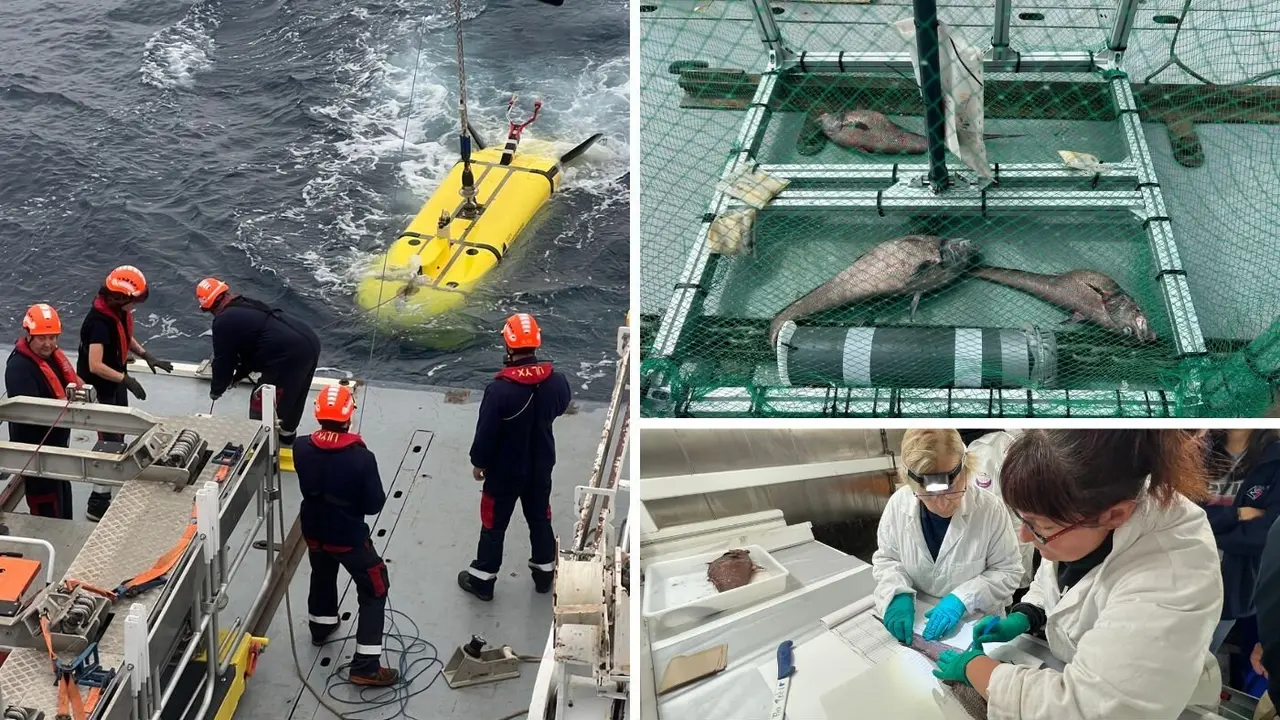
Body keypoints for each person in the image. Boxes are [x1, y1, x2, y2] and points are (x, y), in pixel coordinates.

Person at [932, 429, 1223, 720]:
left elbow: (1090, 709)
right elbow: (1061, 584)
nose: (1023, 536)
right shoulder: (1085, 508)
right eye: (1023, 519)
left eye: (1038, 527)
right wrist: (1028, 614)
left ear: (1115, 516)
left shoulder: (1171, 574)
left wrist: (982, 671)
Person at [457, 313, 572, 602]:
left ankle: (483, 580)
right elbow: (559, 408)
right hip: (541, 466)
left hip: (504, 472)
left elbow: (486, 433)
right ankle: (544, 576)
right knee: (539, 519)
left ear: (508, 344)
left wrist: (479, 463)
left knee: (494, 525)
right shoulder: (557, 382)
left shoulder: (499, 390)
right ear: (537, 341)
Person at [872, 429, 1023, 645]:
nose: (941, 503)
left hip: (975, 627)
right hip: (918, 622)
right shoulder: (898, 504)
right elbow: (888, 559)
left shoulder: (990, 509)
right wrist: (896, 593)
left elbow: (1008, 571)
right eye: (928, 495)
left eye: (951, 490)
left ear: (966, 469)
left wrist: (963, 598)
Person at [291, 384, 398, 687]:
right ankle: (366, 665)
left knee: (322, 572)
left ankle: (321, 626)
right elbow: (374, 504)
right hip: (347, 536)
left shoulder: (300, 446)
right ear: (349, 415)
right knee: (375, 586)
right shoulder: (362, 458)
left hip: (313, 531)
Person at [78, 266, 173, 521]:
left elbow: (125, 336)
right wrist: (126, 380)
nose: (134, 305)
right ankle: (97, 503)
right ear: (118, 297)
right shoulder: (97, 322)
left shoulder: (116, 312)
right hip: (102, 387)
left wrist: (146, 355)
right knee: (108, 439)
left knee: (118, 434)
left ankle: (112, 483)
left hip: (116, 381)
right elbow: (95, 365)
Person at [196, 278, 321, 448]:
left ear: (209, 307)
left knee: (263, 400)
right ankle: (287, 436)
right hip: (309, 342)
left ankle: (263, 446)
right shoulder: (246, 303)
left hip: (288, 355)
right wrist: (239, 374)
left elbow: (224, 360)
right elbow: (254, 345)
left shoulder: (223, 321)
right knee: (294, 394)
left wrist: (217, 389)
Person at [1200, 429, 1280, 653]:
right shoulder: (1196, 450)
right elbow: (1175, 512)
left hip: (1234, 586)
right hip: (1178, 574)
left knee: (1202, 663)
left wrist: (1203, 530)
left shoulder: (1274, 459)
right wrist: (1237, 515)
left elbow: (1267, 533)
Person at [5, 304, 83, 519]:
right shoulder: (19, 368)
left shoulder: (52, 358)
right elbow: (30, 414)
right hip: (36, 452)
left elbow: (73, 381)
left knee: (63, 492)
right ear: (29, 335)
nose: (49, 344)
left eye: (52, 337)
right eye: (42, 338)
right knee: (47, 505)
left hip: (57, 447)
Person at [966, 429, 1038, 603]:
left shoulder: (991, 448)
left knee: (1014, 597)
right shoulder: (989, 444)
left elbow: (990, 507)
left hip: (1007, 552)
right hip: (1006, 552)